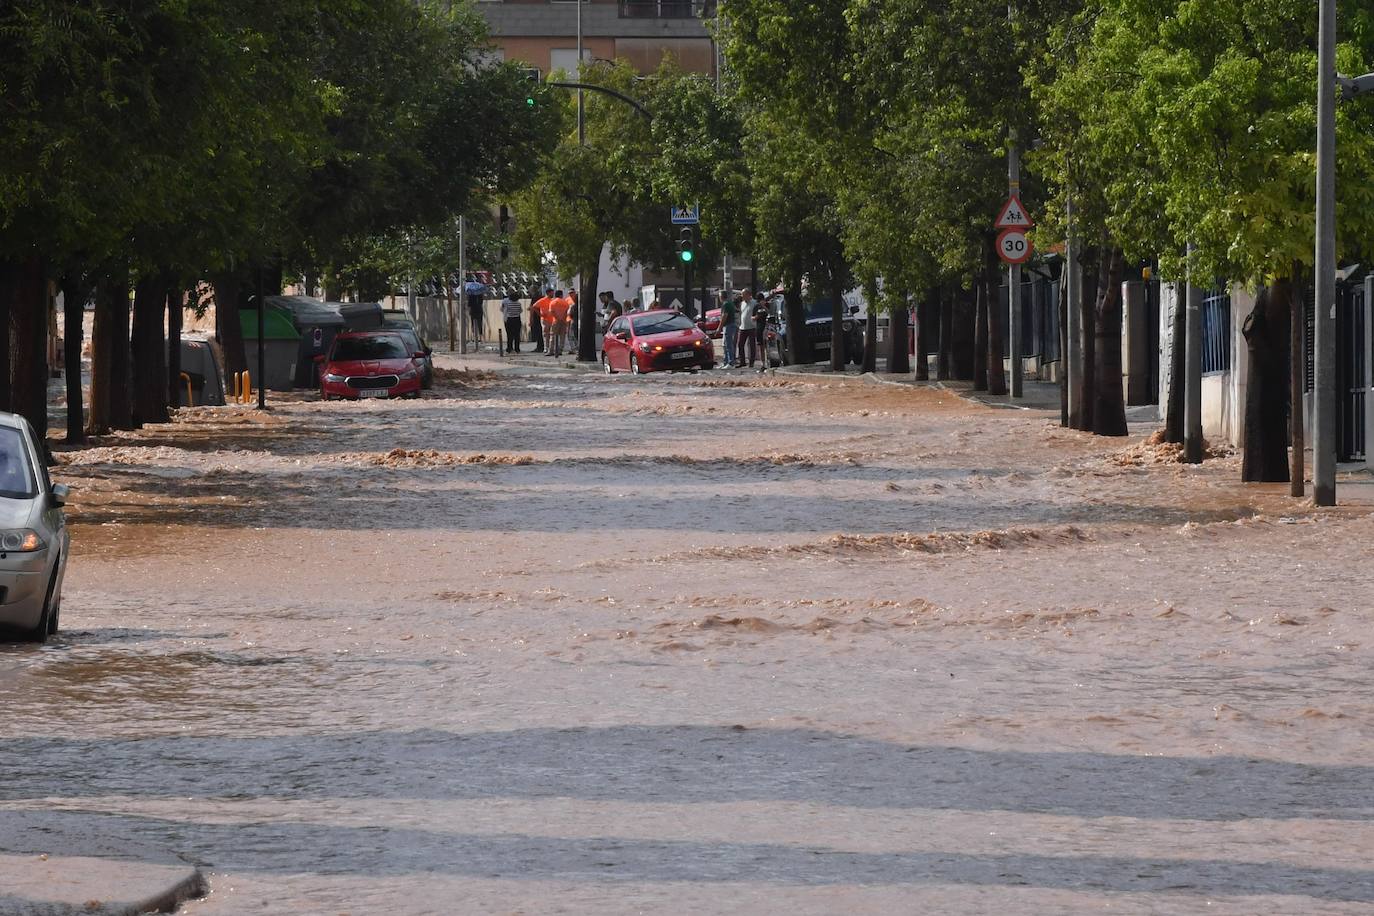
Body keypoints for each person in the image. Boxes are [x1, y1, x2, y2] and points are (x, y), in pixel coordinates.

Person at [752, 293, 773, 371]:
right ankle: (763, 364)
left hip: (766, 327)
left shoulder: (767, 305)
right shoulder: (756, 307)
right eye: (759, 301)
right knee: (760, 345)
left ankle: (769, 362)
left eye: (761, 300)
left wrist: (764, 306)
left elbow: (770, 312)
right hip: (759, 327)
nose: (760, 302)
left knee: (767, 345)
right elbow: (752, 317)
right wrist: (756, 317)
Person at [548, 289, 571, 356]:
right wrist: (562, 318)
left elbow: (551, 311)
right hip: (563, 321)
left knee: (553, 336)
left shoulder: (553, 302)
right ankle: (560, 350)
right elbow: (567, 312)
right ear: (561, 295)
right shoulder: (565, 302)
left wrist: (557, 318)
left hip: (555, 321)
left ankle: (551, 350)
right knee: (562, 336)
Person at [719, 293, 739, 368]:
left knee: (728, 344)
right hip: (729, 325)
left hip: (728, 325)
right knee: (725, 344)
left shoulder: (726, 304)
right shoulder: (729, 303)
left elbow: (724, 316)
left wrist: (719, 327)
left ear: (721, 297)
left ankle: (730, 362)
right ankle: (726, 362)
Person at [738, 289, 757, 368]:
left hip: (752, 327)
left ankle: (751, 362)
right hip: (743, 327)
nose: (742, 296)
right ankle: (742, 361)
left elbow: (757, 313)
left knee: (752, 345)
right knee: (740, 344)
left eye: (744, 294)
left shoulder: (754, 303)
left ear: (749, 295)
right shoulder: (742, 303)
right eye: (742, 294)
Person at [529, 288, 552, 354]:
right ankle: (545, 347)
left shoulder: (534, 298)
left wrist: (531, 319)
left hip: (538, 317)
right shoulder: (542, 298)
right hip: (544, 317)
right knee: (545, 333)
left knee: (540, 333)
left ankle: (540, 347)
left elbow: (532, 308)